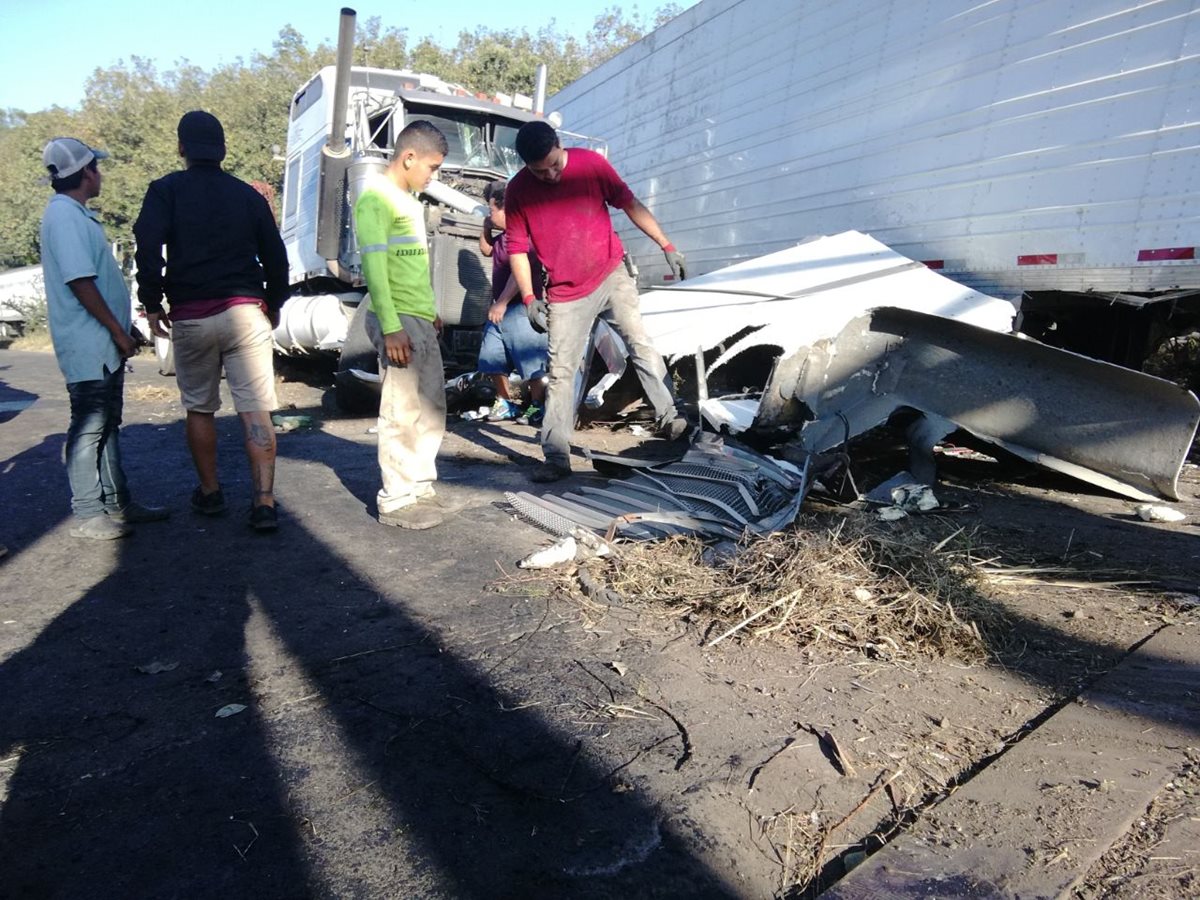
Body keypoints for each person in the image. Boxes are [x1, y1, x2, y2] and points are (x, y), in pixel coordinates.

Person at [503, 121, 689, 483]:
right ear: (526, 166)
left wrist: (666, 244)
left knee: (639, 343)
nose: (551, 175)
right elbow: (517, 250)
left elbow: (630, 204)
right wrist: (528, 298)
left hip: (610, 273)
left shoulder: (591, 164)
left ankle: (671, 419)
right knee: (560, 373)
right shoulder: (518, 191)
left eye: (554, 164)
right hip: (564, 293)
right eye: (540, 171)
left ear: (560, 145)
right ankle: (556, 455)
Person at [133, 111, 288, 533]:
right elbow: (276, 257)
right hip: (246, 313)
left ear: (181, 147)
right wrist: (273, 303)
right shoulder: (248, 196)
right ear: (222, 150)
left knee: (200, 407)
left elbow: (147, 247)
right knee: (256, 409)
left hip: (192, 315)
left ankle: (211, 492)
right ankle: (264, 502)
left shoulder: (165, 191)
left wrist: (151, 302)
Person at [39, 137, 169, 540]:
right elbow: (80, 281)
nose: (101, 174)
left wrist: (124, 327)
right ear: (85, 172)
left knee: (107, 421)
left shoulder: (76, 215)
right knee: (90, 423)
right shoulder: (65, 217)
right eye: (97, 167)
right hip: (88, 341)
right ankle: (87, 512)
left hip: (100, 341)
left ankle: (117, 502)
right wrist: (115, 329)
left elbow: (95, 280)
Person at [353, 120, 449, 530]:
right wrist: (392, 327)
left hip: (417, 317)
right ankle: (396, 497)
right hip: (397, 320)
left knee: (431, 406)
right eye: (431, 167)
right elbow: (376, 269)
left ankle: (420, 486)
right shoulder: (376, 200)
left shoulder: (409, 201)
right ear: (408, 157)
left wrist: (429, 311)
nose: (433, 177)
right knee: (402, 408)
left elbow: (410, 267)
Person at [476, 179, 548, 425]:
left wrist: (502, 302)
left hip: (521, 309)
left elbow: (521, 274)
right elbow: (486, 250)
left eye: (491, 209)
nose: (489, 212)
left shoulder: (525, 235)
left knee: (531, 363)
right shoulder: (503, 236)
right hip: (501, 310)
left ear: (504, 207)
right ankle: (506, 403)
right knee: (491, 358)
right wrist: (486, 226)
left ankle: (537, 406)